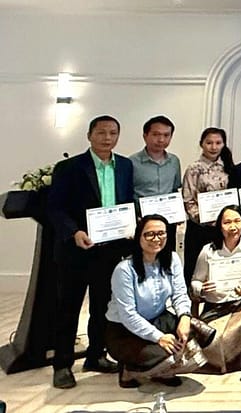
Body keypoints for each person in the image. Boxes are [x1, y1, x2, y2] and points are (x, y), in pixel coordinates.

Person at [48, 115, 134, 388]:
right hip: (77, 249)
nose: (107, 138)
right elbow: (55, 208)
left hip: (110, 251)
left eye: (112, 133)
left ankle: (96, 355)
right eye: (101, 133)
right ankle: (62, 364)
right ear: (89, 135)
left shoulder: (125, 166)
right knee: (68, 308)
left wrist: (129, 226)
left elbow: (126, 201)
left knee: (102, 307)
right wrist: (74, 232)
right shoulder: (69, 168)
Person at [106, 215, 216, 388]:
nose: (156, 239)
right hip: (124, 331)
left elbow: (180, 294)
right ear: (139, 237)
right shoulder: (124, 270)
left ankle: (162, 370)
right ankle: (130, 370)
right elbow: (129, 316)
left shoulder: (172, 259)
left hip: (158, 319)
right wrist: (159, 337)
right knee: (169, 353)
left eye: (161, 233)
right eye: (149, 234)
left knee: (199, 334)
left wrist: (185, 318)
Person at [189, 205, 241, 373]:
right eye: (227, 222)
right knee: (215, 340)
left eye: (237, 221)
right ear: (219, 226)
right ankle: (222, 361)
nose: (232, 227)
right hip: (215, 306)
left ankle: (239, 361)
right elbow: (195, 282)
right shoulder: (208, 251)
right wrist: (202, 288)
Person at [182, 127, 235, 300]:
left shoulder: (229, 167)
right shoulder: (193, 169)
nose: (213, 147)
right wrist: (204, 219)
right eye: (209, 142)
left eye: (218, 143)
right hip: (199, 229)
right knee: (195, 271)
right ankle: (191, 311)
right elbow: (188, 200)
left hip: (223, 228)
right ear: (201, 144)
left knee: (219, 270)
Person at [129, 115, 182, 250]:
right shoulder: (131, 163)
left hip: (167, 223)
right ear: (145, 136)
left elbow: (175, 190)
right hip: (142, 224)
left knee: (166, 259)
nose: (161, 140)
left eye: (166, 135)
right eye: (156, 134)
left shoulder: (174, 161)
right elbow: (127, 194)